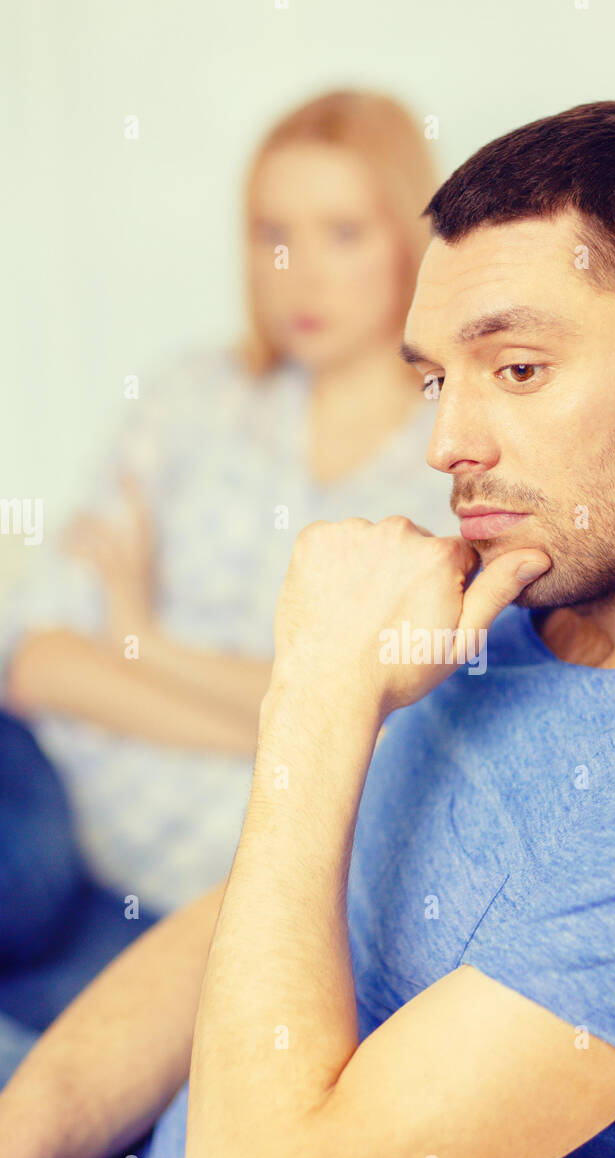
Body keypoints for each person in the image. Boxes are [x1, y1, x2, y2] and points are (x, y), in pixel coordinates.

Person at [1, 100, 615, 1158]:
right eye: (434, 380)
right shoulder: (526, 602)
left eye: (515, 368)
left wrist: (316, 691)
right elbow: (241, 916)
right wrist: (12, 1152)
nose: (446, 441)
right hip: (64, 1148)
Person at [0, 89, 452, 924]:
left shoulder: (454, 459)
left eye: (342, 233)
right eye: (272, 235)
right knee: (23, 870)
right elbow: (39, 661)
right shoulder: (189, 401)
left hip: (212, 893)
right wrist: (285, 731)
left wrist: (151, 644)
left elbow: (395, 732)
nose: (299, 272)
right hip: (57, 794)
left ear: (409, 244)